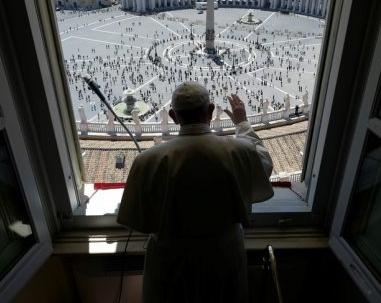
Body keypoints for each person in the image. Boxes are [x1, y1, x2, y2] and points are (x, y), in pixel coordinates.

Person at [117, 82, 274, 302]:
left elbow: (135, 218)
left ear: (172, 116)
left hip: (169, 261)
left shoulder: (146, 160)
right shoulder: (238, 151)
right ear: (210, 111)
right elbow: (263, 163)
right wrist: (242, 124)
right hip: (224, 257)